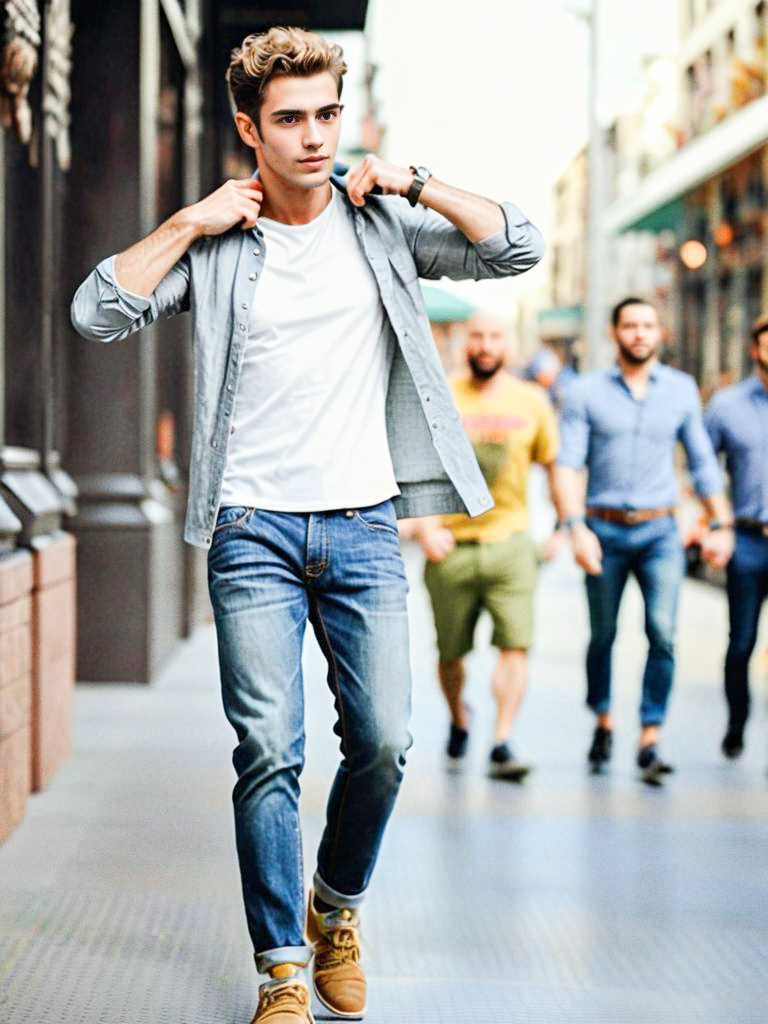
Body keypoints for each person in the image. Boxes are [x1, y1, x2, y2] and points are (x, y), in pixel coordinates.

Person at [70, 27, 544, 1024]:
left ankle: (339, 906)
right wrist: (186, 224)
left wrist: (415, 180)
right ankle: (283, 965)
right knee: (268, 751)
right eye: (290, 119)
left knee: (384, 740)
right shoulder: (223, 246)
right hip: (253, 528)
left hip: (367, 523)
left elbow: (517, 244)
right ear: (248, 127)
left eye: (329, 113)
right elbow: (96, 314)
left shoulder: (381, 228)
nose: (315, 137)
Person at [556, 297, 733, 786]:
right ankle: (604, 719)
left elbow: (701, 461)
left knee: (663, 633)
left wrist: (722, 522)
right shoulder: (586, 391)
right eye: (630, 325)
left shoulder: (680, 391)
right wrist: (574, 527)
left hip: (660, 531)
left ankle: (650, 736)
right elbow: (568, 463)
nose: (639, 333)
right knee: (603, 636)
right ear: (615, 333)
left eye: (647, 325)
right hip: (603, 529)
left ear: (661, 333)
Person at [418, 311, 563, 781]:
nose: (485, 345)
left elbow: (553, 465)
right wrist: (424, 527)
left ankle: (501, 739)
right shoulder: (439, 395)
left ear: (510, 346)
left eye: (494, 336)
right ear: (464, 344)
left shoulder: (533, 401)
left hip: (512, 544)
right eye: (477, 336)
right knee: (451, 654)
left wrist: (563, 525)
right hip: (451, 547)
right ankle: (460, 718)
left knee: (515, 646)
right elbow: (413, 463)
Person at [705, 313, 768, 759]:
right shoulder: (727, 404)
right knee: (742, 640)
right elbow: (703, 468)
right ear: (755, 349)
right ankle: (737, 718)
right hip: (746, 540)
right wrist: (714, 521)